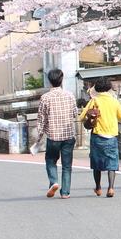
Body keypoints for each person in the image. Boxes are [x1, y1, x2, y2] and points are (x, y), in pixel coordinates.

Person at [78, 77, 121, 198]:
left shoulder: (94, 101)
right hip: (111, 135)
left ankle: (98, 188)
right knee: (112, 162)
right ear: (108, 87)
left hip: (97, 135)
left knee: (96, 162)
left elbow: (81, 117)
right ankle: (111, 188)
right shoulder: (114, 101)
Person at [36, 68, 78, 199]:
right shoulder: (70, 95)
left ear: (50, 81)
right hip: (68, 135)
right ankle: (65, 192)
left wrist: (39, 135)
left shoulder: (45, 98)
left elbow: (41, 118)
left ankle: (54, 182)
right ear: (61, 80)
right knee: (67, 165)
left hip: (53, 136)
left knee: (50, 160)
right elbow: (75, 113)